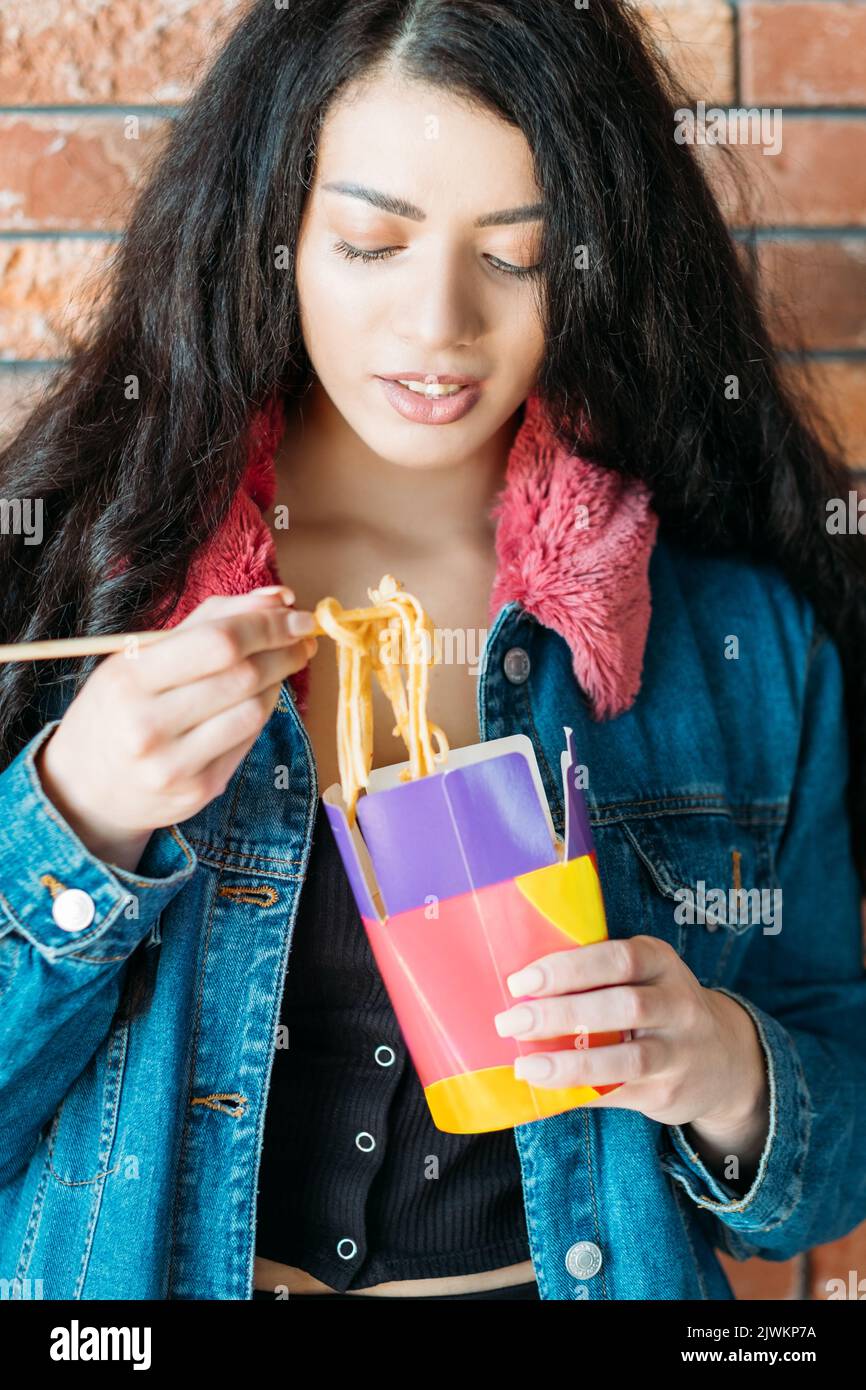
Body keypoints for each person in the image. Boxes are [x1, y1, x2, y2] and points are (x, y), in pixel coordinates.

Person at [0, 0, 864, 1303]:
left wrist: (724, 1065)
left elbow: (832, 1171)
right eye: (370, 243)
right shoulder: (86, 579)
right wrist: (76, 823)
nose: (436, 321)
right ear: (273, 238)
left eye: (512, 258)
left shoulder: (734, 642)